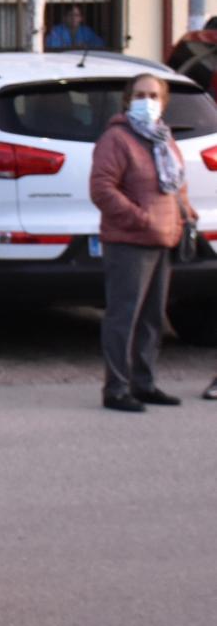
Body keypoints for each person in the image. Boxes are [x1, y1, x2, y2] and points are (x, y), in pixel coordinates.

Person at [89, 73, 195, 413]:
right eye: (140, 94)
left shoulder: (163, 138)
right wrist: (140, 218)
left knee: (152, 318)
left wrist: (185, 216)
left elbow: (176, 184)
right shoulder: (117, 139)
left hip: (164, 237)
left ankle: (144, 383)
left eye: (153, 95)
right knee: (124, 317)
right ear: (127, 99)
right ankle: (116, 388)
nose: (147, 101)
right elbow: (102, 188)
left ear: (163, 102)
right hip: (129, 240)